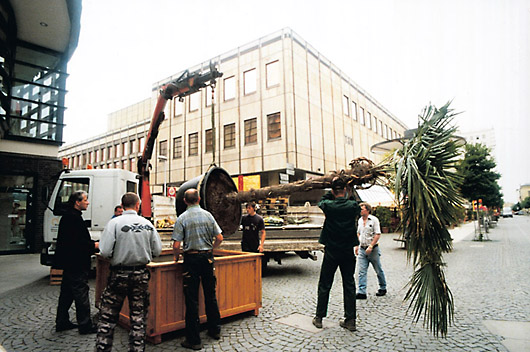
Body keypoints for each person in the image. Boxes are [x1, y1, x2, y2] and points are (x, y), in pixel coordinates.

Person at [96, 192, 162, 352]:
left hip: (118, 276)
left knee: (108, 317)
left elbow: (104, 251)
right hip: (140, 276)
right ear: (138, 205)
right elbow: (157, 250)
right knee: (138, 318)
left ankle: (103, 349)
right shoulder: (147, 224)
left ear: (122, 205)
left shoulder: (114, 224)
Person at [172, 188, 223, 350]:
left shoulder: (182, 218)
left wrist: (176, 257)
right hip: (207, 258)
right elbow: (220, 237)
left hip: (191, 259)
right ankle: (215, 330)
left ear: (185, 201)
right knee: (210, 294)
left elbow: (176, 244)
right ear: (199, 199)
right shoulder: (208, 215)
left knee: (192, 299)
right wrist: (211, 249)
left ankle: (194, 340)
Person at [312, 178, 360, 332]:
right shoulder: (352, 206)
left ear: (333, 191)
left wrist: (330, 187)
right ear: (345, 191)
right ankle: (350, 320)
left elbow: (322, 200)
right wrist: (350, 188)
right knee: (349, 284)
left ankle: (319, 318)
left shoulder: (329, 206)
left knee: (325, 284)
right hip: (347, 250)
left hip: (331, 250)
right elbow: (356, 201)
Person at [54, 190, 99, 334]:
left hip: (69, 262)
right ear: (77, 202)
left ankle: (62, 321)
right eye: (85, 200)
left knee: (67, 292)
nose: (88, 202)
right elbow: (77, 243)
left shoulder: (69, 217)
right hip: (76, 262)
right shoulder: (73, 218)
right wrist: (94, 246)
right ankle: (85, 325)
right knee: (81, 292)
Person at [355, 203, 387, 299]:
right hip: (362, 248)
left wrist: (371, 246)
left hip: (373, 250)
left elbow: (377, 234)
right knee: (361, 271)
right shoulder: (360, 220)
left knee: (378, 269)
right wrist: (357, 245)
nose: (360, 210)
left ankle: (382, 287)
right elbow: (358, 233)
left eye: (362, 209)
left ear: (367, 210)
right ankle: (361, 292)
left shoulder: (374, 220)